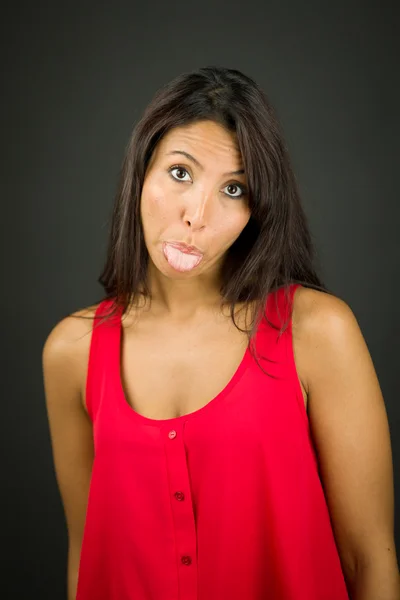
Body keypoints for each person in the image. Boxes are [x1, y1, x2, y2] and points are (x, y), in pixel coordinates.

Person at [42, 66, 399, 600]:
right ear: (141, 172)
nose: (197, 215)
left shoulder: (316, 332)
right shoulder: (71, 351)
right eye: (181, 173)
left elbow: (369, 558)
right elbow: (86, 559)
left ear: (256, 212)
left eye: (234, 189)